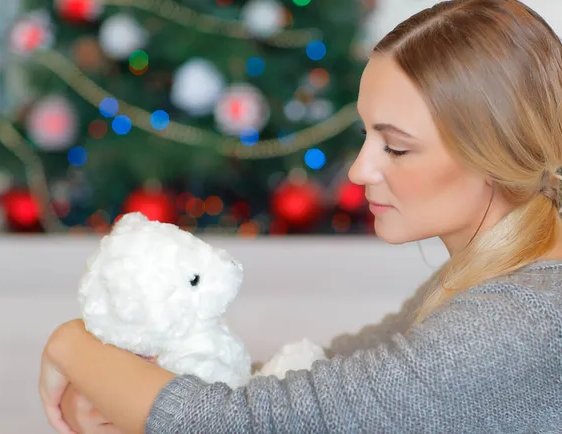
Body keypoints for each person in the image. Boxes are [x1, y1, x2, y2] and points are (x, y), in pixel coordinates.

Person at [39, 0, 562, 432]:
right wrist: (134, 383)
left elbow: (239, 426)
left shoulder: (512, 324)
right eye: (366, 135)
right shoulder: (496, 283)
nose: (358, 172)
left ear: (494, 158)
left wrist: (71, 342)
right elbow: (325, 382)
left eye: (396, 148)